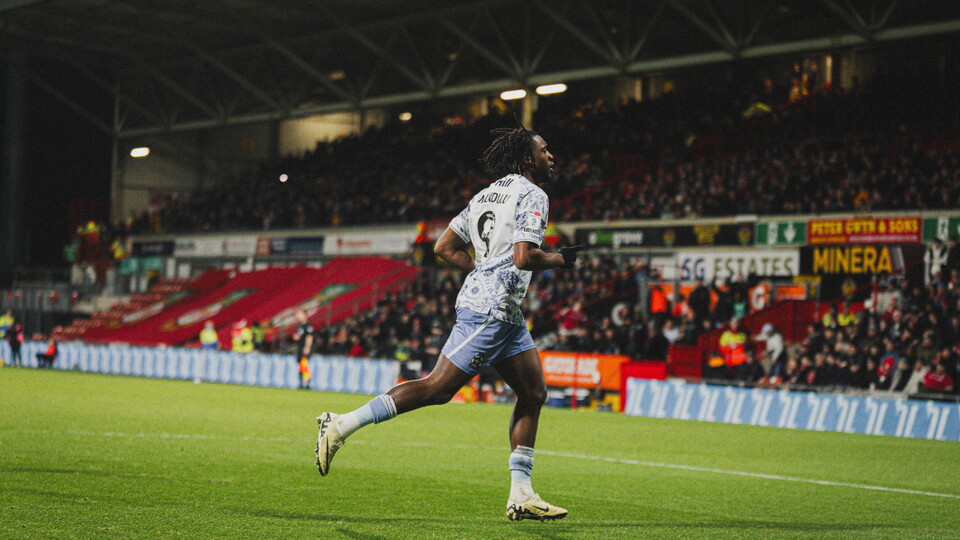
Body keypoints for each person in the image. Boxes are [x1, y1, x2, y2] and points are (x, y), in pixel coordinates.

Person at [314, 127, 582, 522]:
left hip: (506, 314)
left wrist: (482, 268)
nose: (551, 156)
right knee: (437, 388)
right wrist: (562, 259)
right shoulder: (533, 195)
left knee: (533, 392)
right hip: (490, 311)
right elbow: (525, 258)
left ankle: (521, 494)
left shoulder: (486, 194)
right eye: (545, 150)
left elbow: (443, 246)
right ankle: (341, 425)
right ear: (527, 159)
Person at [292, 309, 314, 390]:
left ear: (304, 315)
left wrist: (307, 347)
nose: (298, 316)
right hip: (300, 348)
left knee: (304, 366)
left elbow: (309, 337)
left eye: (299, 314)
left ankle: (307, 384)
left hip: (304, 349)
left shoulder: (308, 326)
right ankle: (301, 384)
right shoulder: (300, 326)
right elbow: (298, 336)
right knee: (301, 366)